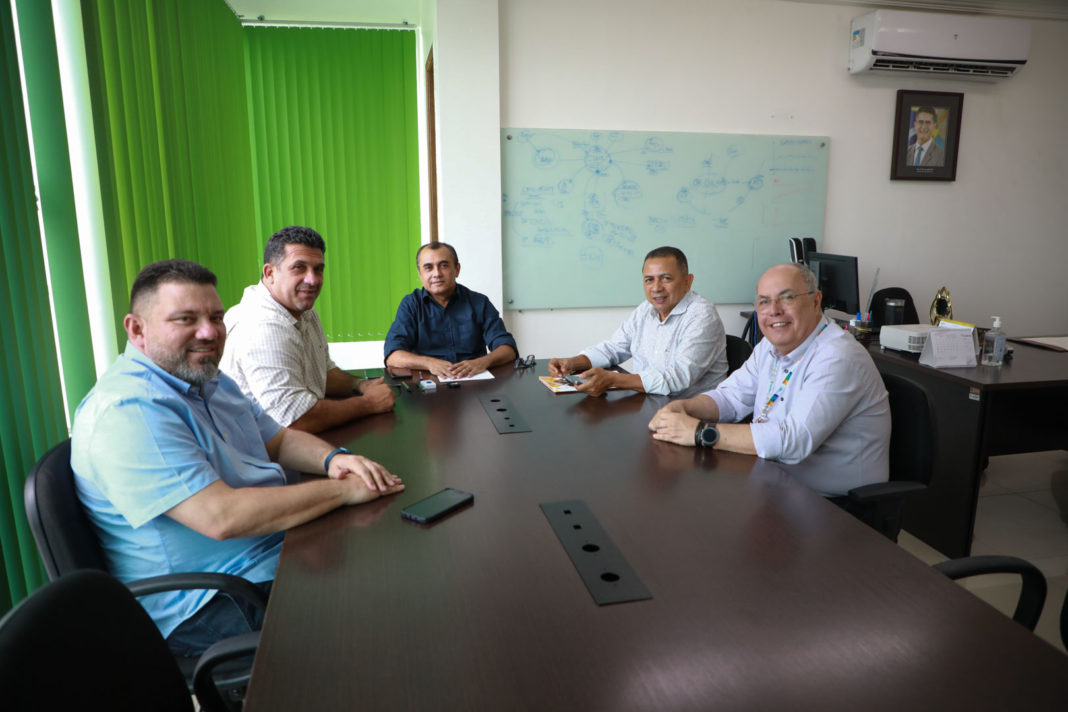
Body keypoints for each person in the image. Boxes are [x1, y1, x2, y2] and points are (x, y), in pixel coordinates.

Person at [71, 259, 404, 656]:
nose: (209, 332)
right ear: (137, 329)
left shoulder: (208, 379)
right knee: (376, 616)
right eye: (186, 319)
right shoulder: (129, 411)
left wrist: (333, 461)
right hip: (206, 601)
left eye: (216, 317)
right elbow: (221, 517)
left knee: (389, 564)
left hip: (267, 552)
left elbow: (279, 440)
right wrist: (343, 491)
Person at [647, 263, 890, 495]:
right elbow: (730, 397)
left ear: (816, 301)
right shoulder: (770, 346)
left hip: (832, 504)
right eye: (764, 301)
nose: (774, 310)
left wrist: (700, 432)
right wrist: (683, 407)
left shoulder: (837, 356)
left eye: (787, 298)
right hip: (774, 481)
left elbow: (794, 442)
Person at [221, 225, 395, 433]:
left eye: (318, 269)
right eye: (299, 267)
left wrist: (360, 385)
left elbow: (322, 374)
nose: (312, 280)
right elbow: (295, 420)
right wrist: (369, 403)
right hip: (260, 449)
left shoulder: (301, 308)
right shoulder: (263, 325)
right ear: (270, 273)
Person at [548, 246, 729, 398]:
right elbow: (613, 348)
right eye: (649, 280)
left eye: (666, 278)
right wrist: (572, 363)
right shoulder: (646, 310)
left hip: (690, 415)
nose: (656, 288)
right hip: (649, 403)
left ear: (687, 282)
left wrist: (613, 379)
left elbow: (677, 378)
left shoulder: (702, 316)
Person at [384, 241, 518, 379]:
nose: (437, 274)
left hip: (474, 380)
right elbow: (393, 356)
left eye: (444, 266)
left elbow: (508, 349)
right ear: (420, 274)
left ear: (457, 269)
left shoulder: (479, 302)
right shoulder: (411, 305)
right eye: (428, 268)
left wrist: (482, 362)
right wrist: (429, 363)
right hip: (429, 382)